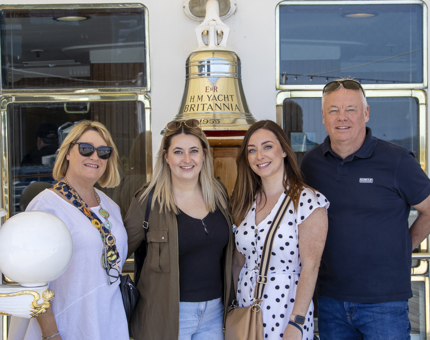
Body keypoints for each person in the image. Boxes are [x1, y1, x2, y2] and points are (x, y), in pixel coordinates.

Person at [300, 79, 430, 339]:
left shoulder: (396, 161)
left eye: (351, 109)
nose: (342, 118)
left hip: (385, 303)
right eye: (333, 110)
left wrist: (406, 244)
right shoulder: (311, 164)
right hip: (330, 300)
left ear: (366, 113)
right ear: (323, 117)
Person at [8, 120, 128, 340]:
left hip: (108, 325)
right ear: (68, 153)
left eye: (103, 152)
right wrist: (51, 334)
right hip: (65, 327)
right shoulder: (46, 206)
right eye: (85, 149)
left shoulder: (111, 207)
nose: (95, 157)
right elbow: (33, 282)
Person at [124, 119, 234, 340]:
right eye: (178, 152)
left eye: (193, 151)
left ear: (204, 154)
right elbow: (116, 254)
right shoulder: (148, 200)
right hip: (168, 317)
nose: (187, 159)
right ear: (166, 157)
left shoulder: (219, 194)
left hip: (215, 314)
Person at [230, 120, 329, 340]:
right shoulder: (244, 202)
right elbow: (239, 263)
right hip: (247, 313)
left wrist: (297, 322)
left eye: (267, 147)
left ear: (284, 150)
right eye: (252, 150)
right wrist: (236, 307)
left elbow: (311, 267)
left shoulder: (306, 201)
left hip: (285, 313)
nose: (259, 156)